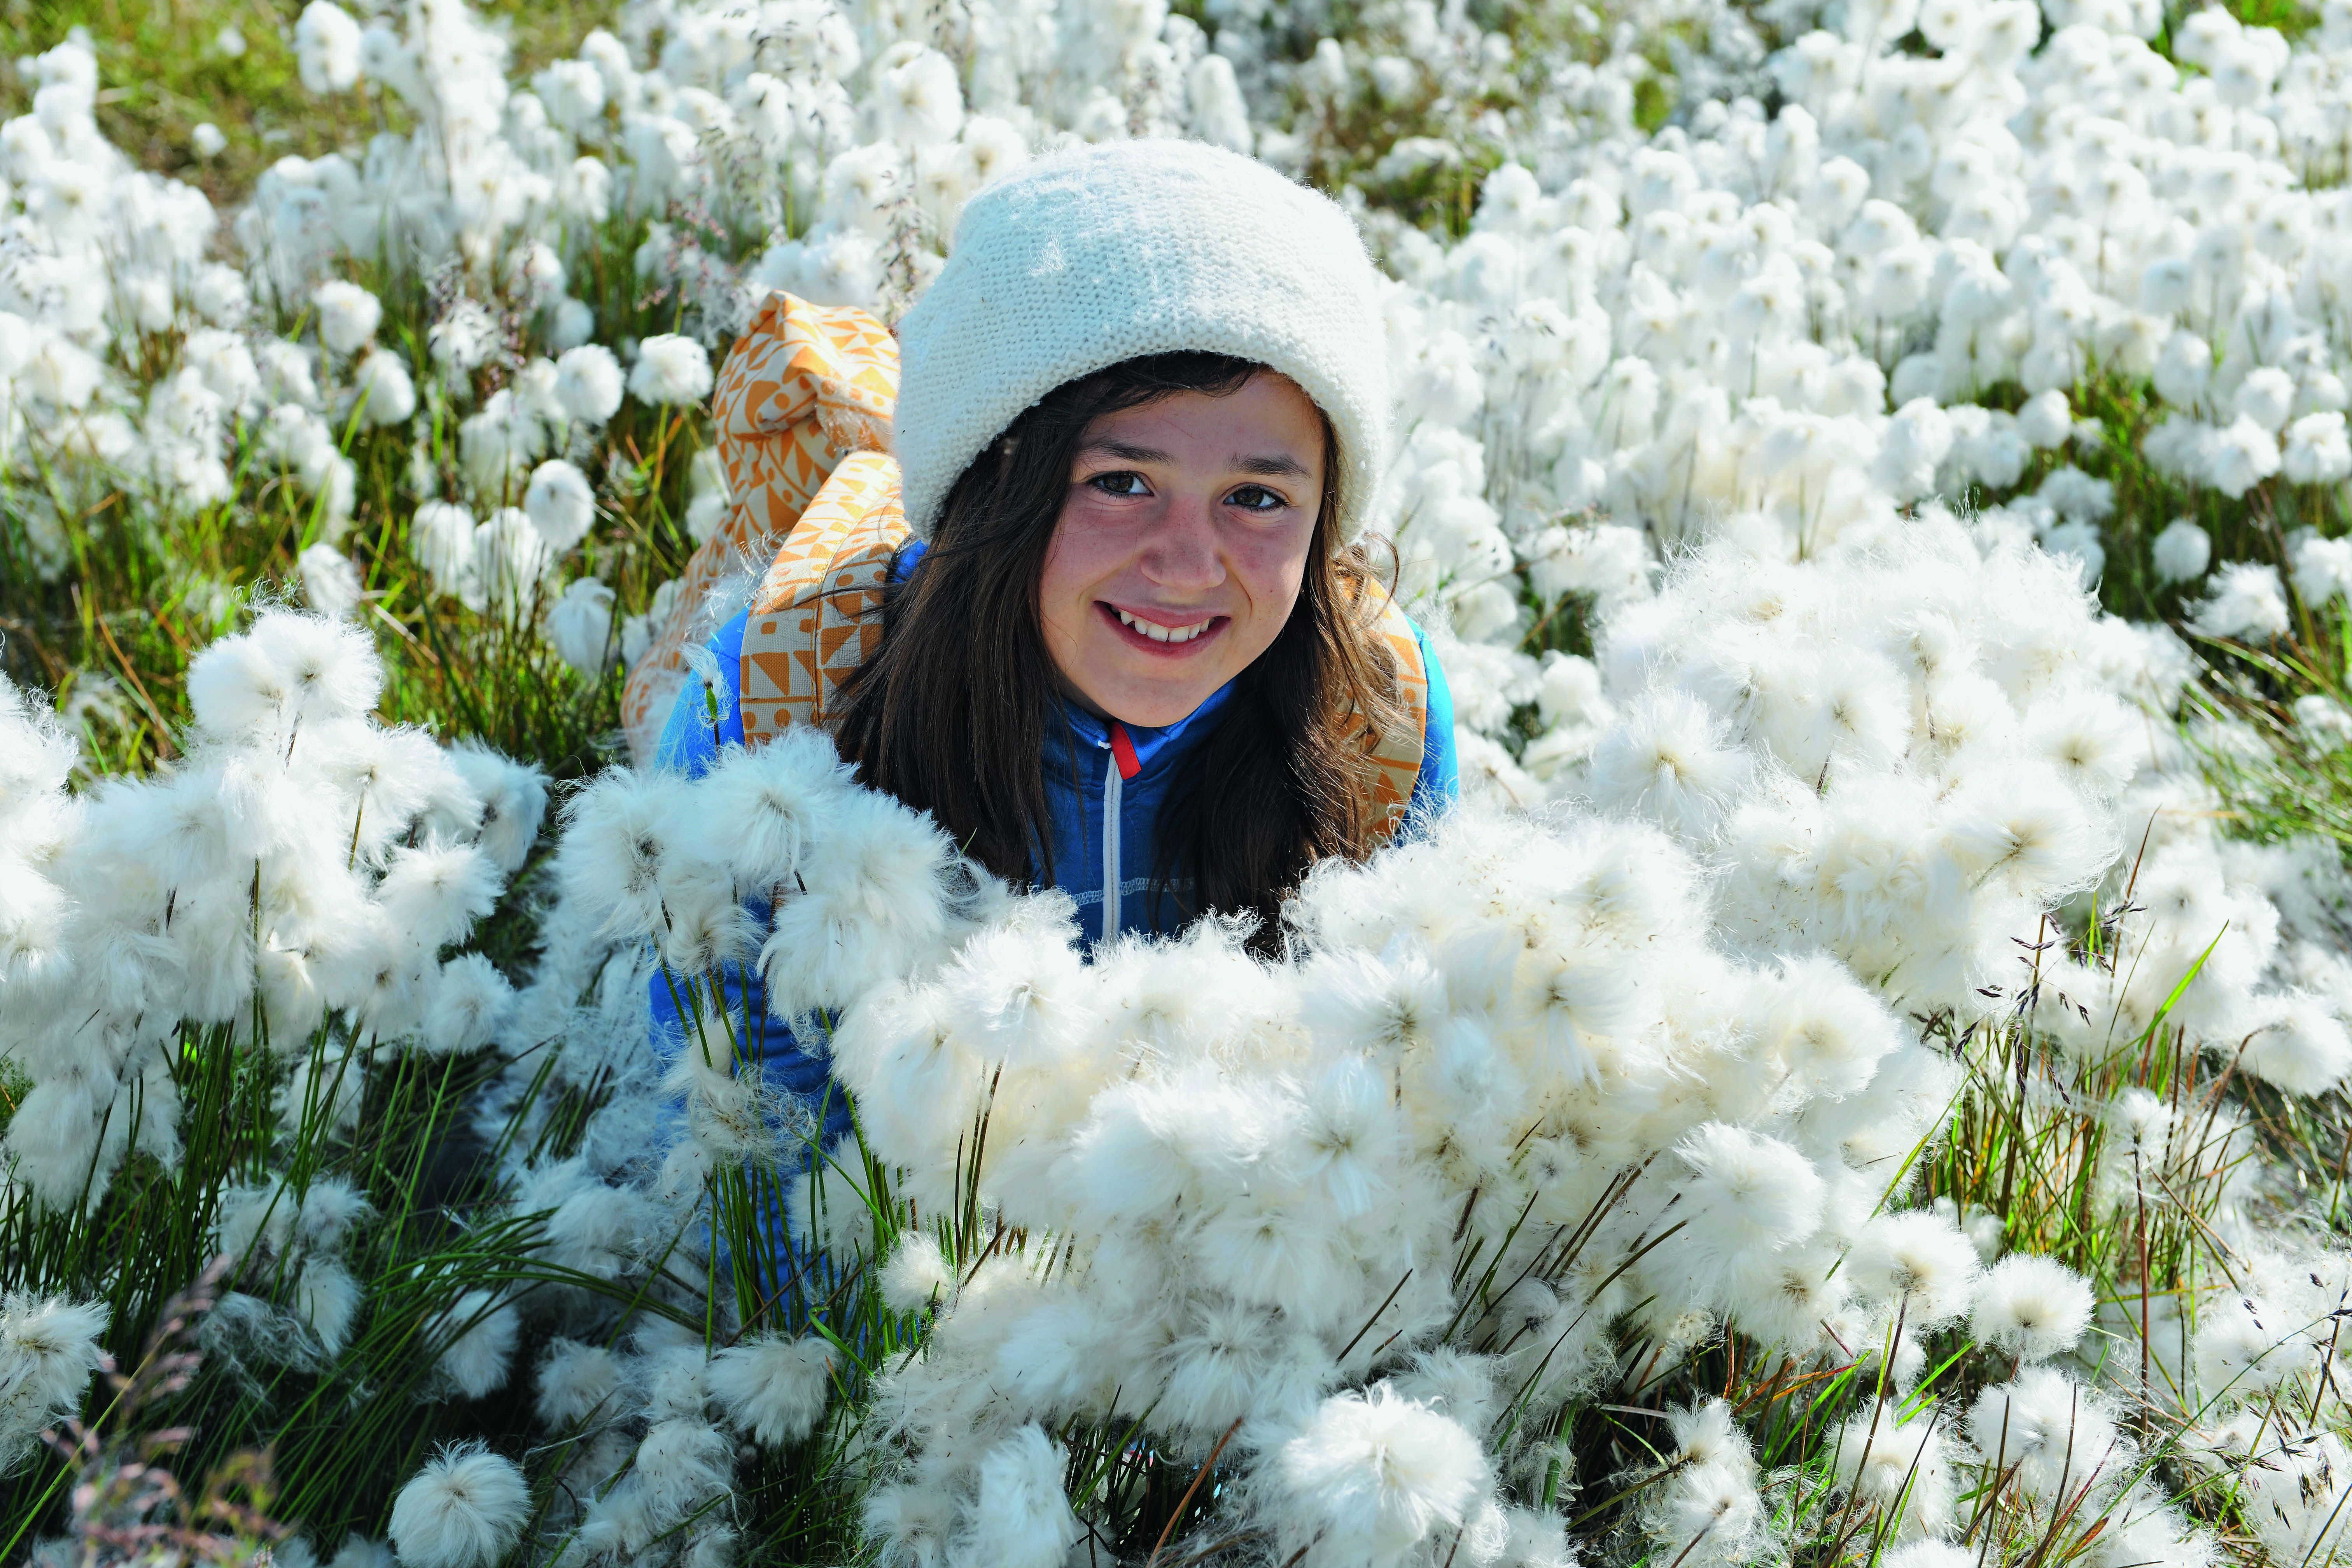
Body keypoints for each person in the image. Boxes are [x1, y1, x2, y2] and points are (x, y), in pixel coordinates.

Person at [634, 139, 1458, 1280]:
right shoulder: (772, 721)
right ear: (994, 488)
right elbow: (746, 1152)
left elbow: (1387, 1106)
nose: (1186, 563)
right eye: (1121, 482)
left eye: (1258, 498)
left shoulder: (1376, 721)